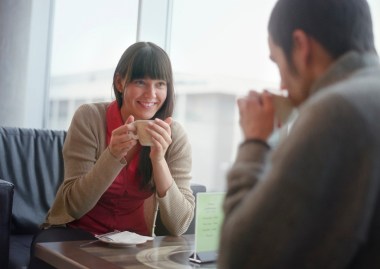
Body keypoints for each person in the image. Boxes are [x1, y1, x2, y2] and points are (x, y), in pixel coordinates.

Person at [218, 0, 380, 268]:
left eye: (277, 61)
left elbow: (241, 259)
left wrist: (254, 142)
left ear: (300, 46)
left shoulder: (335, 111)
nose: (282, 84)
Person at [29, 41, 195, 268]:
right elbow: (74, 206)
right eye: (140, 82)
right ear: (119, 82)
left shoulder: (174, 135)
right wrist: (113, 155)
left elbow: (180, 225)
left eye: (160, 84)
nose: (151, 94)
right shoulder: (89, 118)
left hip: (137, 243)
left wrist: (158, 160)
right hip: (77, 234)